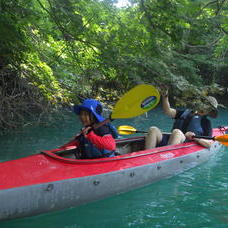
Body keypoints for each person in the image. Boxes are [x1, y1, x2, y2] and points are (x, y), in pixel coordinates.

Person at [145, 89, 221, 149]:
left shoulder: (206, 122)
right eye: (204, 105)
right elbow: (167, 111)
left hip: (185, 144)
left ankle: (166, 156)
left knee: (177, 132)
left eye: (208, 108)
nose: (204, 108)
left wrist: (196, 139)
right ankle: (147, 156)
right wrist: (165, 96)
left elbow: (209, 143)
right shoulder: (185, 112)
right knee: (153, 129)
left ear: (210, 111)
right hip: (171, 141)